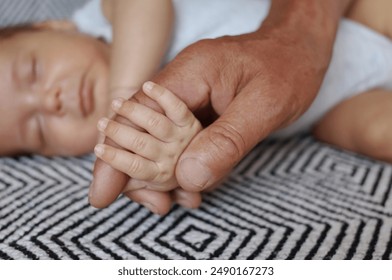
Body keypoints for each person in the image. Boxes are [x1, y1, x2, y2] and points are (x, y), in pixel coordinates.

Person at [89, 0, 392, 215]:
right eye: (42, 130)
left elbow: (144, 6)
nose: (51, 101)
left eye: (38, 70)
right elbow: (219, 148)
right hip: (326, 109)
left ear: (54, 26)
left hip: (351, 16)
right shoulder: (139, 137)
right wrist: (172, 166)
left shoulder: (96, 17)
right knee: (378, 135)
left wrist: (125, 95)